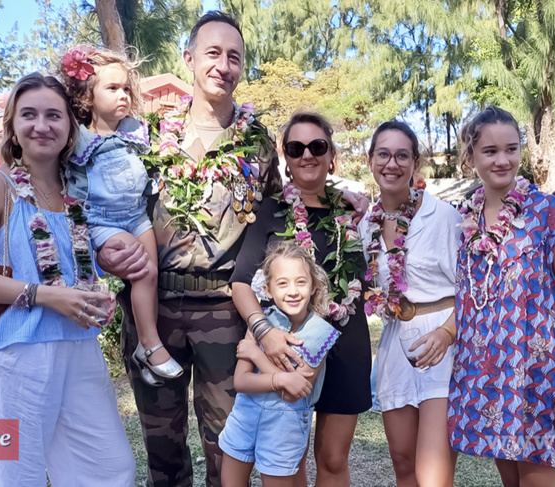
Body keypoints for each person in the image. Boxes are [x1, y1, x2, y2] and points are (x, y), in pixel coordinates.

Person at [96, 12, 366, 486]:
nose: (223, 65)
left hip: (224, 310)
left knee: (228, 445)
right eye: (213, 53)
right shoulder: (147, 135)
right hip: (153, 307)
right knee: (162, 444)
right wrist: (104, 253)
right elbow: (111, 208)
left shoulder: (257, 142)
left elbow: (285, 209)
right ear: (190, 59)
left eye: (234, 57)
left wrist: (342, 195)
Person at [0, 73, 135, 486]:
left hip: (77, 350)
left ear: (69, 129)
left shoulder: (76, 191)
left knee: (109, 470)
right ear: (12, 125)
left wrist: (100, 280)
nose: (41, 125)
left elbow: (73, 267)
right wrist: (43, 295)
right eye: (29, 115)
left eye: (54, 115)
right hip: (9, 354)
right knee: (15, 478)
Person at [450, 106, 555, 486]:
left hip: (540, 375)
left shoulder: (550, 213)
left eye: (511, 149)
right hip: (490, 376)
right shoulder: (466, 219)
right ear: (471, 158)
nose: (503, 160)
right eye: (490, 151)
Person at [230, 112, 371, 485]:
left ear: (331, 154)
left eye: (317, 146)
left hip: (344, 348)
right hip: (287, 348)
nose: (307, 155)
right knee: (288, 459)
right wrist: (263, 332)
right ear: (286, 157)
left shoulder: (356, 213)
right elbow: (241, 283)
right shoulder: (270, 211)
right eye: (296, 148)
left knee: (333, 459)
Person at [59, 45, 176, 385]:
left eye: (126, 88)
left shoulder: (134, 131)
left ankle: (143, 346)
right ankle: (152, 345)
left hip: (137, 214)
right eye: (112, 88)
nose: (123, 95)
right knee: (142, 270)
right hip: (103, 219)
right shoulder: (78, 137)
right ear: (88, 95)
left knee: (152, 275)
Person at [360, 120, 460, 487]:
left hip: (443, 348)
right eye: (383, 154)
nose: (392, 163)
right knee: (403, 463)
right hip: (396, 346)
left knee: (432, 473)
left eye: (403, 155)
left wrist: (448, 334)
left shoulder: (444, 217)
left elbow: (476, 290)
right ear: (370, 160)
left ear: (415, 163)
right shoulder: (365, 226)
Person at [221, 242, 340, 487]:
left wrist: (256, 356)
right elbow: (241, 381)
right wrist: (283, 377)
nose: (293, 291)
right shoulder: (260, 322)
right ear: (268, 289)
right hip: (243, 419)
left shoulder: (320, 333)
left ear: (314, 286)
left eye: (300, 282)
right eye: (282, 283)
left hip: (284, 430)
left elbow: (295, 392)